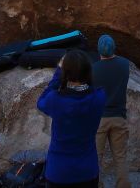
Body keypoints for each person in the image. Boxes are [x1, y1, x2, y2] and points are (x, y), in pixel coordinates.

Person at [38, 50, 107, 188]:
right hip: (88, 171)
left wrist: (59, 71)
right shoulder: (99, 97)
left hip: (59, 171)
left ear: (66, 72)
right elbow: (90, 88)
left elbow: (41, 101)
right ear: (88, 70)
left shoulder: (55, 100)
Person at [92, 35, 131, 188]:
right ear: (114, 47)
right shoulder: (124, 64)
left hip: (99, 119)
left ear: (98, 50)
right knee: (120, 157)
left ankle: (97, 185)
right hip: (119, 116)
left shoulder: (94, 68)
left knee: (96, 157)